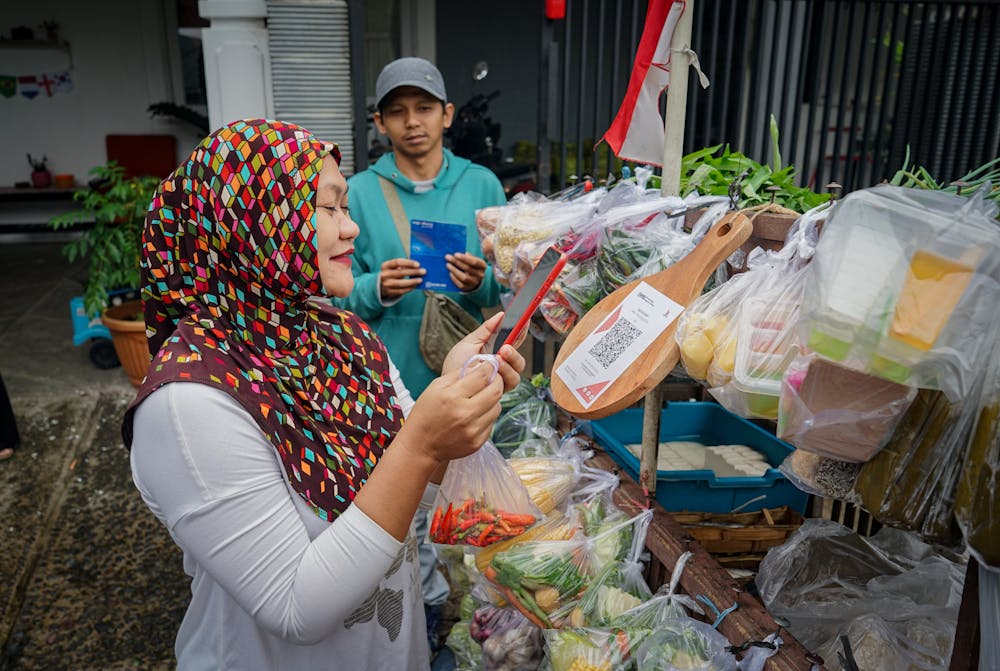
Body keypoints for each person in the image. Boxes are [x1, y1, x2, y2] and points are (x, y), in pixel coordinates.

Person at [123, 119, 525, 670]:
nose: (352, 228)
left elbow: (424, 500)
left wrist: (459, 394)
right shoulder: (189, 401)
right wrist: (423, 443)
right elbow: (296, 608)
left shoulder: (344, 338)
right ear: (253, 223)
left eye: (346, 207)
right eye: (330, 208)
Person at [335, 58, 507, 639]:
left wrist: (478, 279)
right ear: (380, 123)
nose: (413, 122)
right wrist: (372, 287)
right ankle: (425, 619)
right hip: (387, 380)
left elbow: (505, 285)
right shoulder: (357, 193)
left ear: (447, 114)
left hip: (465, 379)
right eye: (398, 111)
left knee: (471, 510)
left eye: (425, 108)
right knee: (401, 511)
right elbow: (334, 295)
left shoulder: (482, 185)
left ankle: (472, 612)